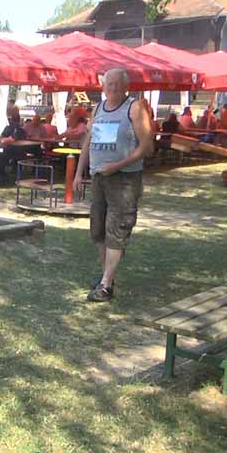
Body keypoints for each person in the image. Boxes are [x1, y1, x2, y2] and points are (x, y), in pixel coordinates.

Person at [73, 68, 154, 303]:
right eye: (109, 83)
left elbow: (147, 147)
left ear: (126, 87)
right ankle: (105, 277)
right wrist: (78, 173)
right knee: (98, 230)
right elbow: (89, 142)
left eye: (118, 84)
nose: (113, 88)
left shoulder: (134, 108)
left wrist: (118, 165)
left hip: (124, 179)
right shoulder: (98, 108)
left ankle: (106, 285)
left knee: (117, 229)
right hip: (99, 177)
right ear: (103, 86)